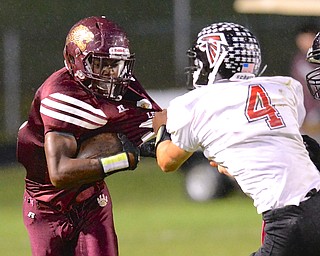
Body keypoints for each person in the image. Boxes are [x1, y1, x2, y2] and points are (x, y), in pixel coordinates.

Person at [152, 22, 320, 256]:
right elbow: (279, 141)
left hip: (289, 220)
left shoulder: (194, 104)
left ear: (212, 57)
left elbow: (167, 161)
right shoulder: (284, 87)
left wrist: (161, 128)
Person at [17, 16, 161, 256]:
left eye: (116, 64)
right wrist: (123, 160)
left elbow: (160, 120)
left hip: (92, 201)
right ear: (76, 61)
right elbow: (60, 172)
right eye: (100, 64)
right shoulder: (60, 93)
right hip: (47, 207)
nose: (111, 73)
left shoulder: (124, 85)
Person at [290, 23, 320, 140]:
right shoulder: (299, 60)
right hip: (307, 113)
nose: (304, 43)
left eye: (308, 38)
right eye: (301, 39)